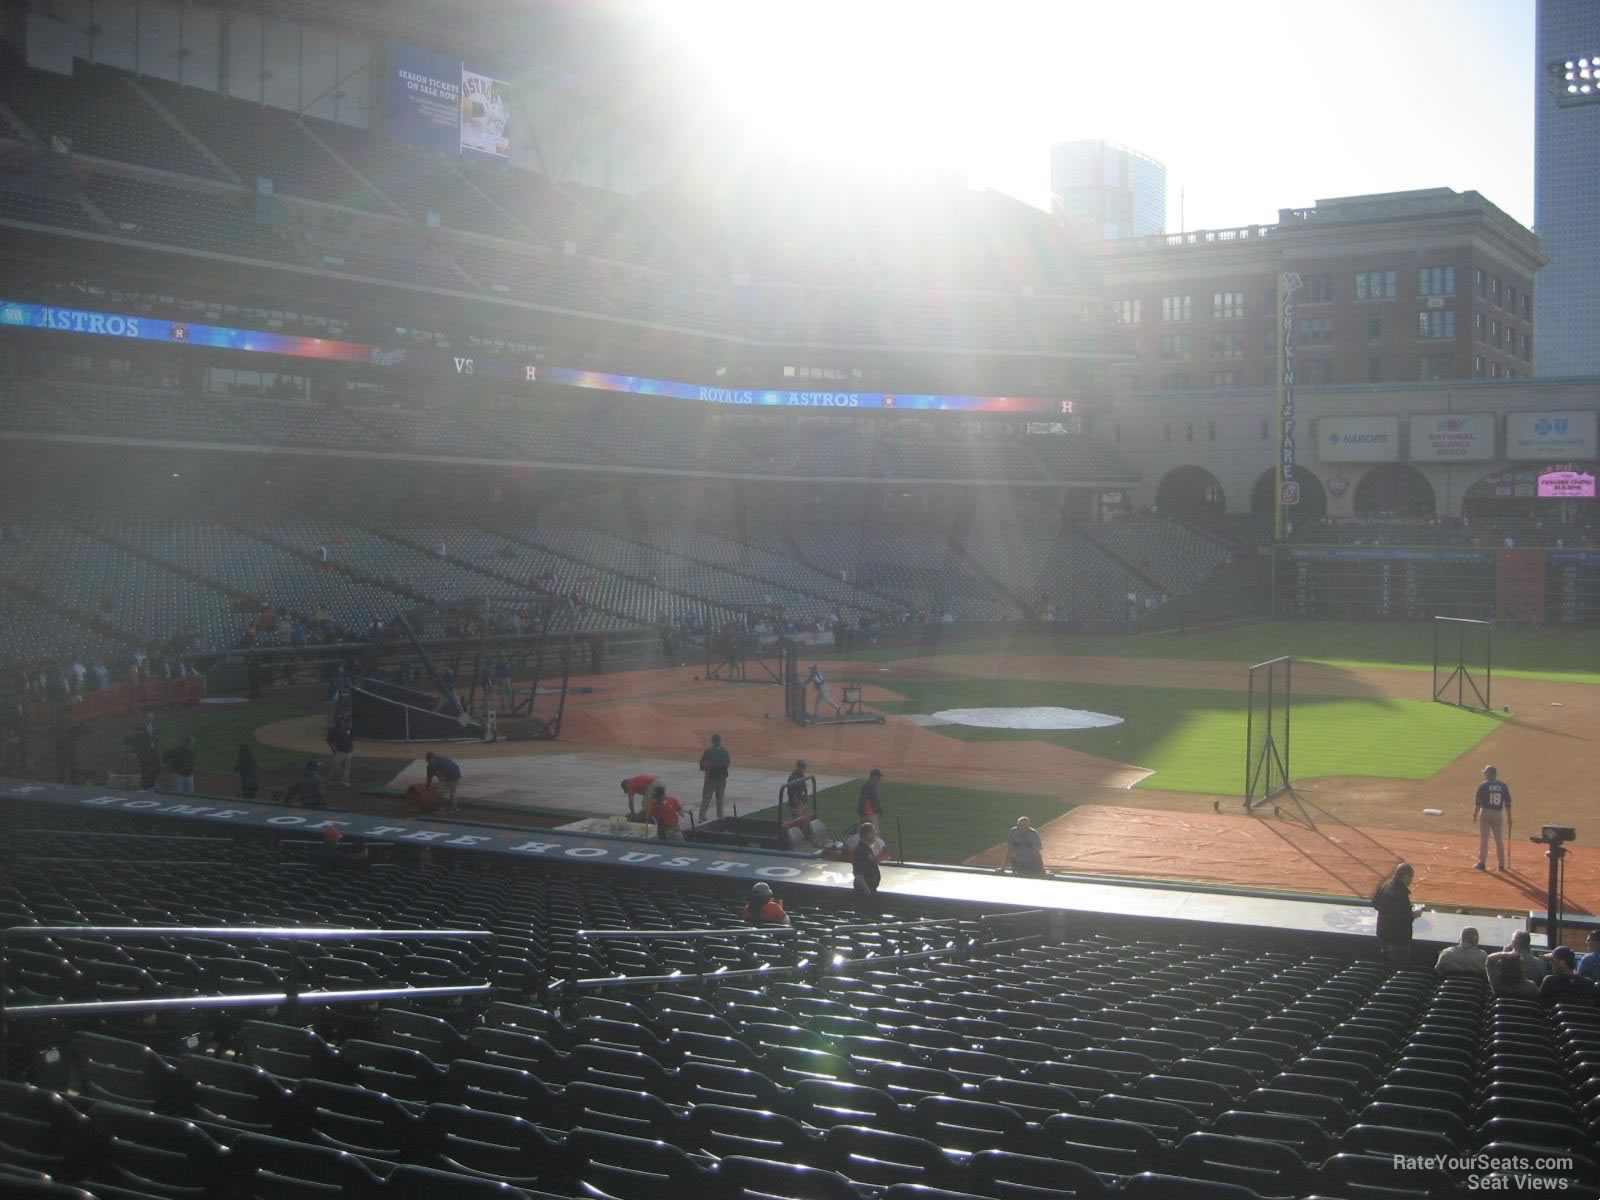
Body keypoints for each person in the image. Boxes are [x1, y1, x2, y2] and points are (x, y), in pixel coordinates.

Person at [1371, 862, 1424, 968]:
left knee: (1385, 966)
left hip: (1383, 933)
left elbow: (1375, 903)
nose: (1411, 881)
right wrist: (1418, 912)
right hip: (1398, 939)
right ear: (1406, 876)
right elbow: (1404, 918)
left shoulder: (1385, 884)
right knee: (1398, 968)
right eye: (1410, 877)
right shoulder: (1400, 892)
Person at [1472, 764, 1511, 871]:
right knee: (1499, 840)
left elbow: (1478, 803)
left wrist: (1475, 814)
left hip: (1485, 812)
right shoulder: (1503, 786)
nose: (1484, 774)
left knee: (1484, 839)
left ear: (1489, 774)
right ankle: (1501, 865)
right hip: (1498, 814)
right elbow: (1507, 803)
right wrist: (1509, 817)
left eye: (1485, 773)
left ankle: (1481, 863)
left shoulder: (1483, 785)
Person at [698, 733, 731, 822]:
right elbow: (727, 764)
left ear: (713, 742)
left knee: (706, 797)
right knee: (720, 798)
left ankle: (702, 817)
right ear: (720, 742)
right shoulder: (725, 752)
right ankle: (720, 817)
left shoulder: (708, 752)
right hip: (721, 778)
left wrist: (709, 766)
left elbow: (702, 765)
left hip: (710, 778)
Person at [126, 710, 161, 791]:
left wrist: (157, 740)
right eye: (149, 717)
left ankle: (151, 784)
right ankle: (144, 787)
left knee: (157, 767)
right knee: (145, 769)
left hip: (154, 750)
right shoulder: (139, 727)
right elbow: (135, 740)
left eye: (152, 717)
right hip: (144, 752)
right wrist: (134, 752)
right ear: (145, 718)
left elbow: (157, 735)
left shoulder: (155, 726)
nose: (151, 719)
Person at [852, 821, 882, 911]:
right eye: (874, 832)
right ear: (868, 834)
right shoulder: (861, 851)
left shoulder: (866, 849)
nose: (876, 834)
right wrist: (866, 889)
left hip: (870, 889)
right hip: (865, 892)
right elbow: (858, 874)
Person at [325, 718, 355, 788]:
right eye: (339, 720)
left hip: (348, 752)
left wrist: (351, 747)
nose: (341, 722)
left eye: (342, 720)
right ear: (336, 721)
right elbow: (329, 740)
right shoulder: (333, 730)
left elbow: (352, 738)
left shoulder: (348, 729)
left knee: (346, 768)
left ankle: (345, 782)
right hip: (339, 752)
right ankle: (331, 782)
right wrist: (333, 749)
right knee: (335, 768)